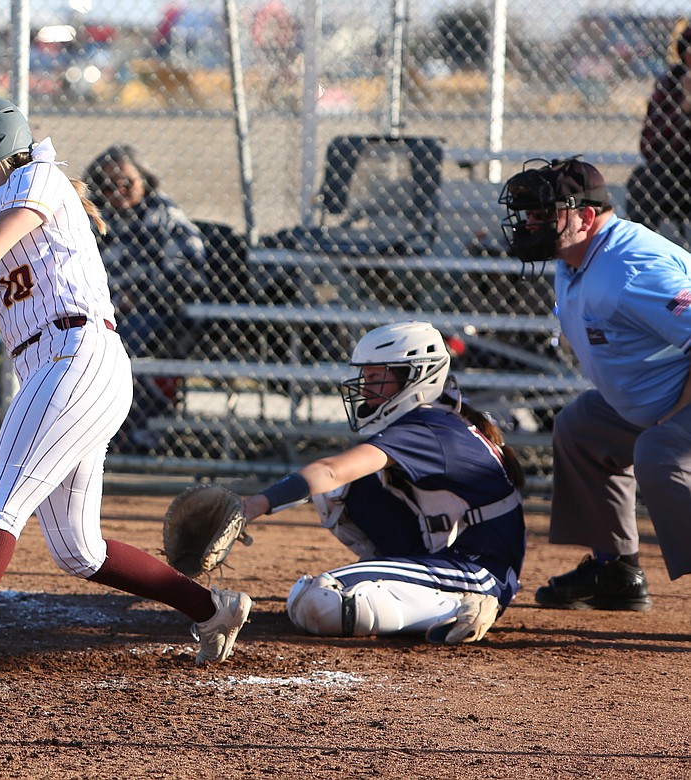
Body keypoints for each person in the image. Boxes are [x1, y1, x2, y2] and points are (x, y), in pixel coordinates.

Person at [0, 96, 252, 684]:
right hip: (57, 369)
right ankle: (214, 610)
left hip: (75, 355)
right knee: (77, 550)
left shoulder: (37, 180)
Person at [235, 321, 524, 643]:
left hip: (476, 571)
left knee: (319, 602)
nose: (364, 387)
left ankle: (457, 604)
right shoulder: (435, 416)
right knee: (341, 493)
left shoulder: (428, 428)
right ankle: (418, 587)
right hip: (459, 558)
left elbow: (331, 470)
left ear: (416, 376)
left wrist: (249, 508)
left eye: (375, 377)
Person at [500, 156, 691, 610]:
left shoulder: (630, 268)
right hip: (660, 394)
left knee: (660, 451)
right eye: (528, 214)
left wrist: (672, 416)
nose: (530, 224)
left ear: (586, 216)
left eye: (545, 214)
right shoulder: (579, 254)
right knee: (581, 427)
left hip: (678, 397)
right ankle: (616, 571)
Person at [83, 144, 208, 453]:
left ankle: (132, 428)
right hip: (96, 308)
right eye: (109, 184)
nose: (119, 190)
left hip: (155, 310)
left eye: (128, 182)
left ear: (145, 180)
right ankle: (91, 427)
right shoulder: (90, 216)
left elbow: (190, 269)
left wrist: (141, 294)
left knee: (126, 340)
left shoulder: (163, 213)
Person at [625, 24, 691, 235]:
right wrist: (684, 108)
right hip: (679, 174)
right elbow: (649, 147)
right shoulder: (671, 84)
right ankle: (643, 257)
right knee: (643, 180)